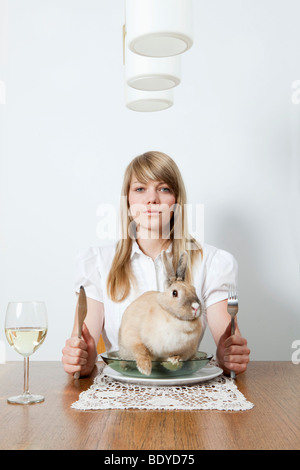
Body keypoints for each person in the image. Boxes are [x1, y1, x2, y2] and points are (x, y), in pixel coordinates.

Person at [62, 151, 250, 377]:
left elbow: (227, 344)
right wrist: (79, 358)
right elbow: (87, 352)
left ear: (176, 201)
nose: (152, 199)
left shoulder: (212, 262)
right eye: (140, 189)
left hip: (184, 391)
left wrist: (229, 354)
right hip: (120, 395)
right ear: (128, 200)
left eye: (164, 189)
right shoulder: (97, 263)